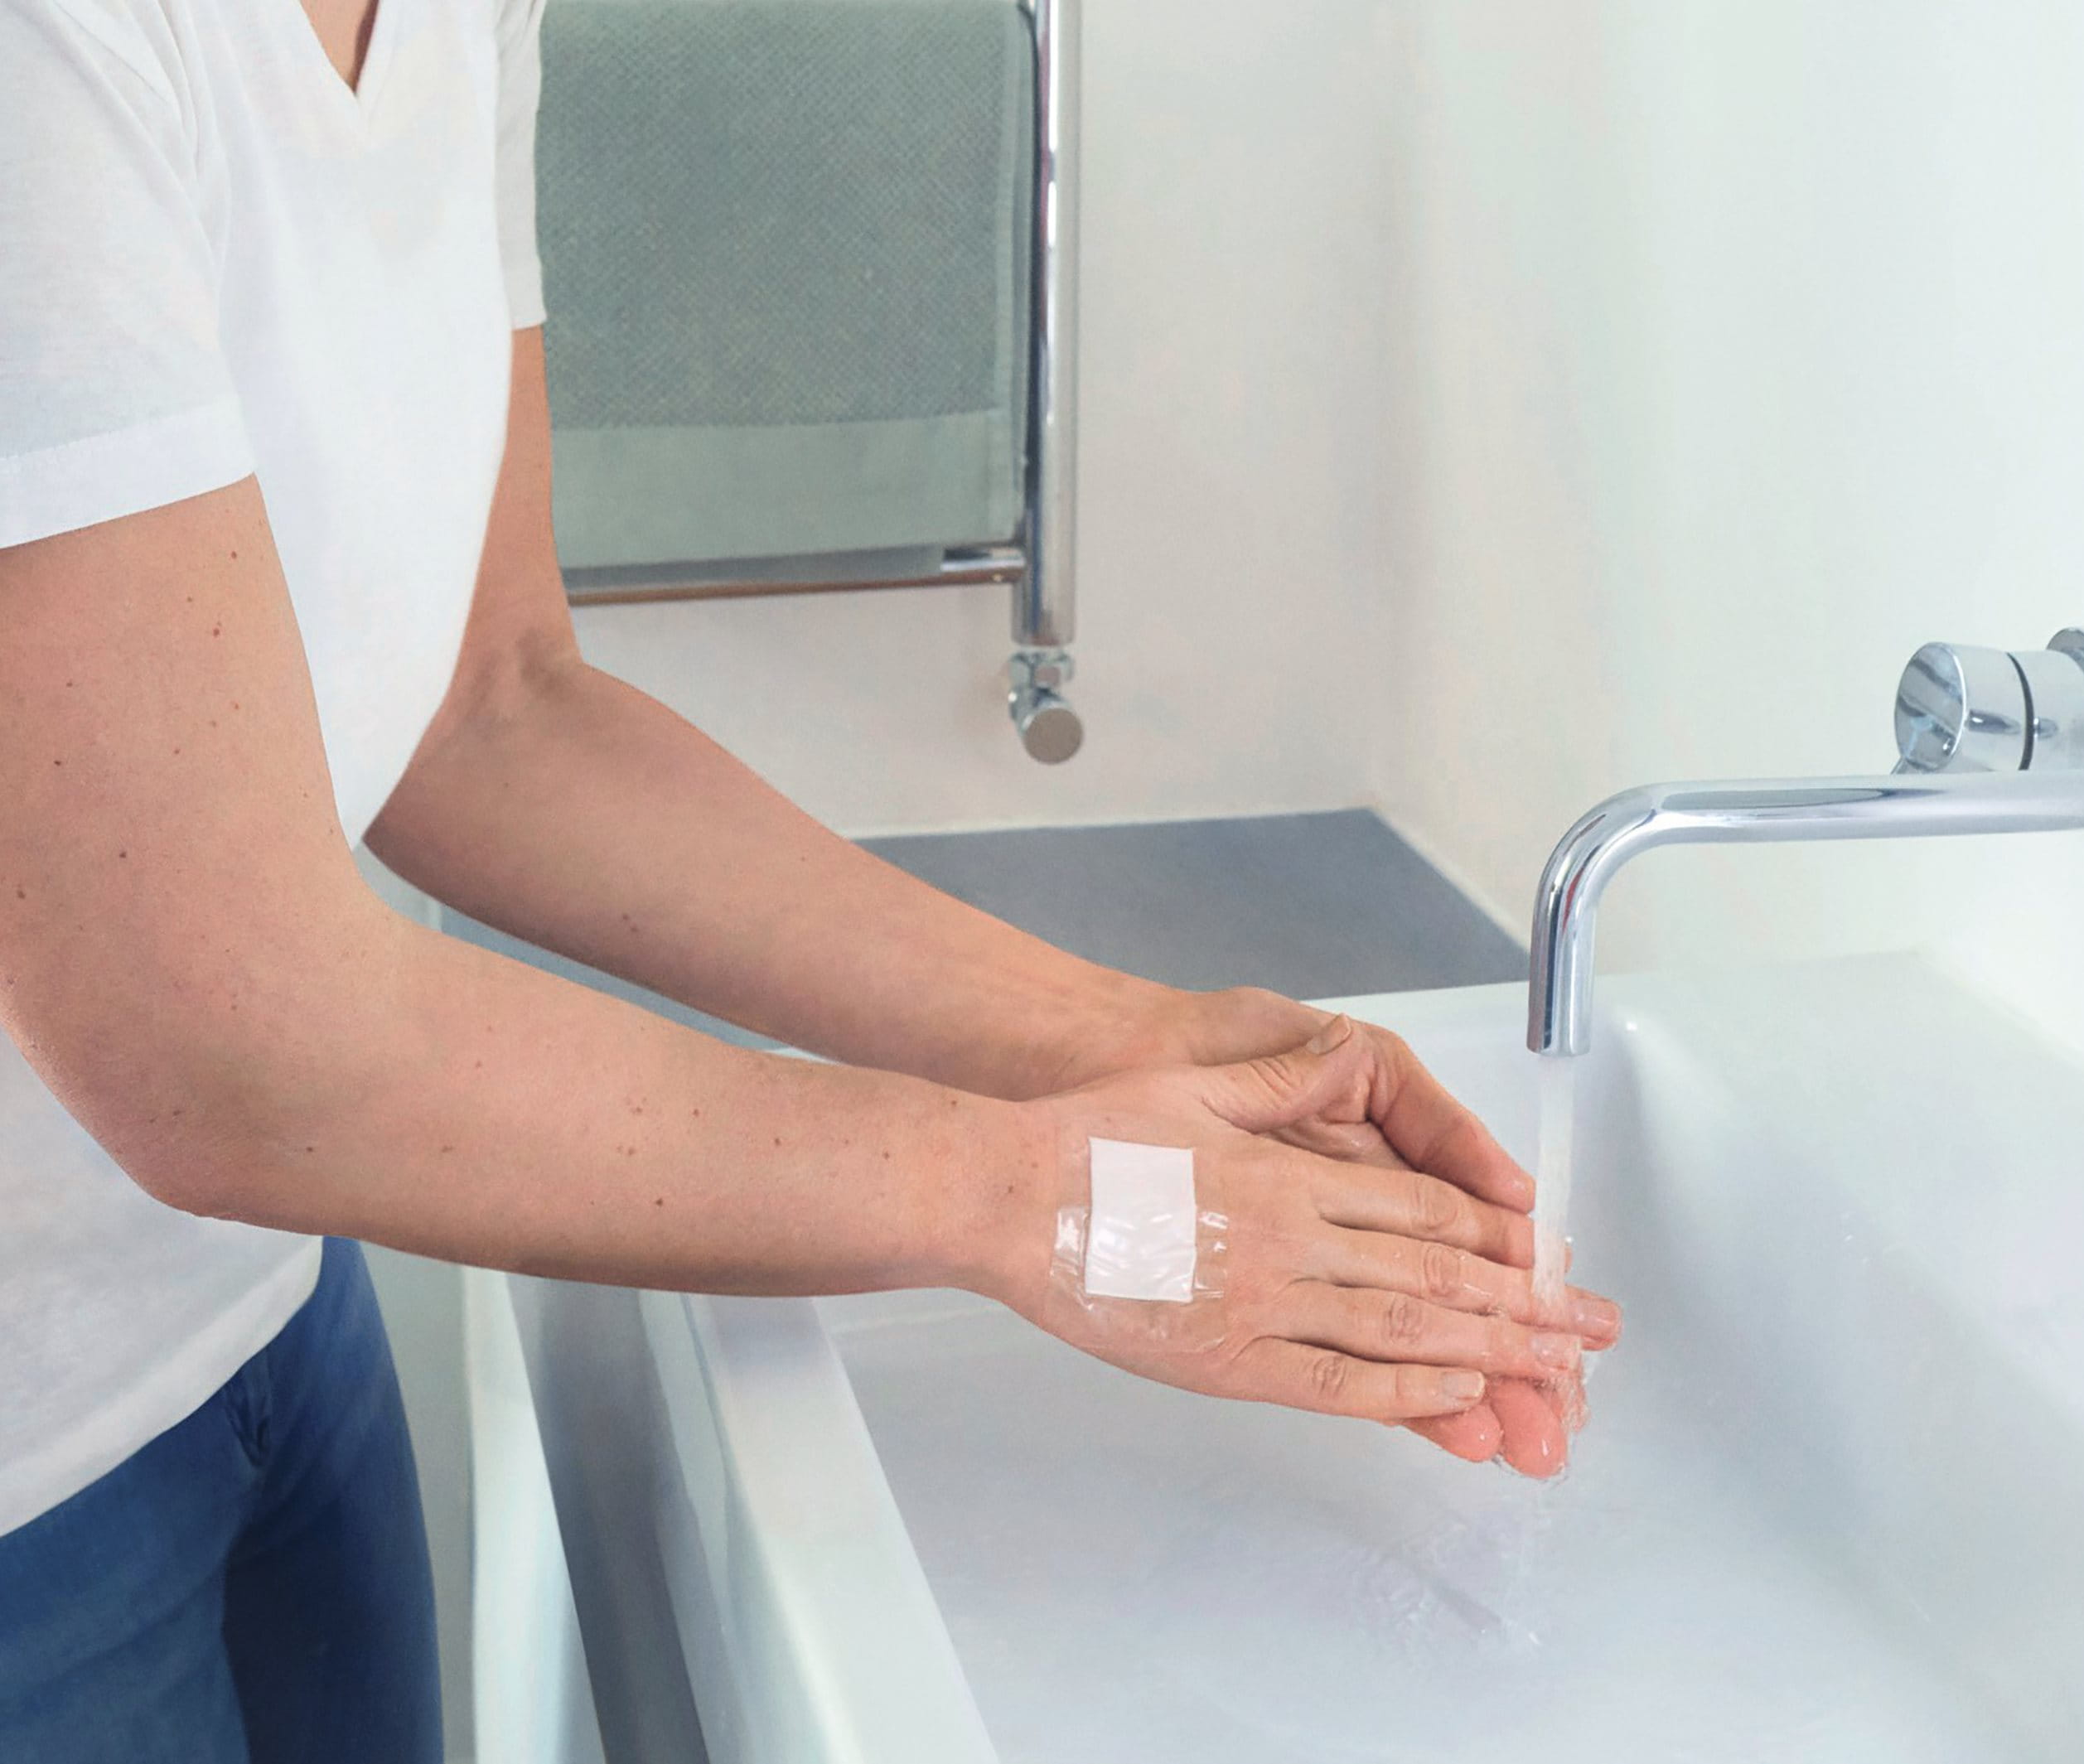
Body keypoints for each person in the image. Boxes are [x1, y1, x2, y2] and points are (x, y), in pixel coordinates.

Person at [0, 0, 1620, 1757]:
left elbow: (494, 709)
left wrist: (1120, 1039)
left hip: (255, 1319)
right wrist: (1048, 1206)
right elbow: (224, 1036)